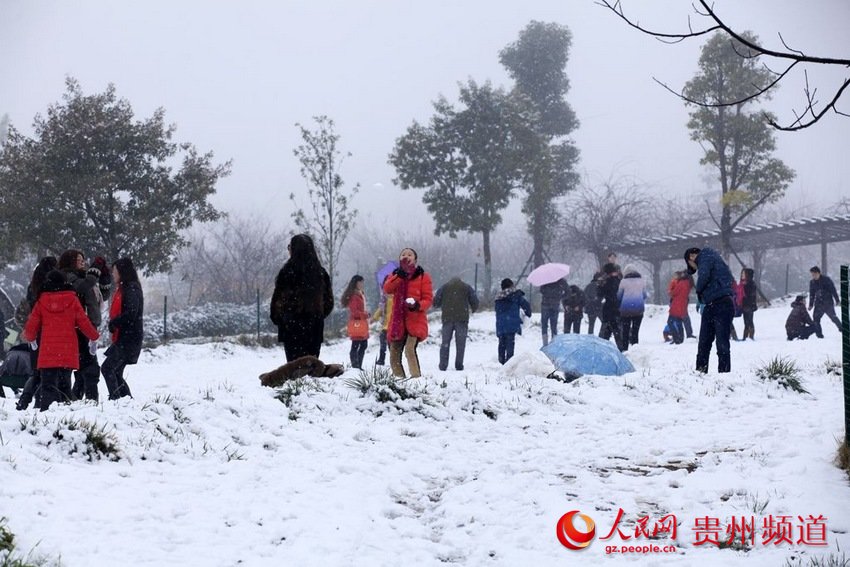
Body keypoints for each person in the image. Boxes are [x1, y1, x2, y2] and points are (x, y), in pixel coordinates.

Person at [21, 270, 99, 411]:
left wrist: (31, 338)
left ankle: (46, 413)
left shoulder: (41, 300)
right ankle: (64, 415)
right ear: (64, 282)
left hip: (48, 351)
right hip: (67, 351)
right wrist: (94, 337)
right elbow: (84, 322)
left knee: (48, 387)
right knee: (65, 386)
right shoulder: (72, 299)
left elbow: (32, 325)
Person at [269, 234, 335, 362]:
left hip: (291, 328)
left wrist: (282, 319)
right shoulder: (320, 273)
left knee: (294, 367)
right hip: (314, 327)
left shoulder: (287, 273)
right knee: (311, 366)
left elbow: (278, 302)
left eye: (290, 247)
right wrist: (317, 315)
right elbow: (328, 302)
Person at [58, 249, 104, 401]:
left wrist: (103, 275)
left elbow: (101, 295)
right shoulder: (68, 277)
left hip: (88, 324)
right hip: (78, 327)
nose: (82, 262)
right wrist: (94, 272)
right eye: (79, 260)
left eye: (83, 259)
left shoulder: (84, 277)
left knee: (84, 365)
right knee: (87, 364)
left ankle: (76, 397)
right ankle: (88, 398)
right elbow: (82, 287)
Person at [14, 256, 58, 410]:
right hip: (47, 332)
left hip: (35, 332)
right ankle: (40, 402)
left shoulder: (33, 286)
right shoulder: (50, 287)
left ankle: (24, 401)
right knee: (47, 371)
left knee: (36, 371)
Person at [383, 248, 433, 379]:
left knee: (409, 349)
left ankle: (416, 379)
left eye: (409, 254)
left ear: (415, 259)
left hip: (415, 321)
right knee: (394, 352)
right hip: (397, 322)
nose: (406, 256)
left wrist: (417, 305)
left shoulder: (423, 276)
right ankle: (399, 379)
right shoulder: (395, 275)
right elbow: (387, 289)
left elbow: (428, 299)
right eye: (403, 254)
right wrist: (399, 276)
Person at [685, 247, 735, 373]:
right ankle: (701, 372)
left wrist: (698, 291)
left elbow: (704, 275)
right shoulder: (716, 260)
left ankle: (722, 374)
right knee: (707, 342)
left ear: (691, 257)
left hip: (721, 303)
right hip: (713, 303)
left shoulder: (706, 256)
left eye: (691, 265)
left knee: (718, 342)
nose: (695, 269)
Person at [101, 258, 144, 399]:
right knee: (115, 371)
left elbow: (131, 312)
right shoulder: (126, 287)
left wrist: (115, 323)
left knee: (108, 368)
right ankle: (126, 402)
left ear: (121, 271)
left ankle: (117, 400)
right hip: (125, 337)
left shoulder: (131, 288)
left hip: (128, 338)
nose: (113, 275)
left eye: (114, 271)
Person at [432, 276, 479, 371]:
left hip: (447, 318)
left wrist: (439, 304)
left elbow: (436, 301)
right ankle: (459, 364)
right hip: (462, 319)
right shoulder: (466, 287)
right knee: (460, 344)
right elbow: (474, 300)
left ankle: (443, 365)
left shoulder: (444, 287)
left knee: (445, 343)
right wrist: (474, 308)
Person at [494, 278, 531, 364]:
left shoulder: (498, 298)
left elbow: (497, 310)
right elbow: (526, 305)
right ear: (511, 285)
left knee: (502, 343)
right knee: (510, 343)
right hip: (511, 323)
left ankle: (501, 360)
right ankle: (509, 362)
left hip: (501, 324)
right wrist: (528, 314)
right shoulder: (516, 295)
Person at [340, 275, 369, 370]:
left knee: (363, 344)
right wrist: (365, 314)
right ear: (355, 283)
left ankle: (358, 366)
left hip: (362, 322)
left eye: (362, 282)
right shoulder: (354, 295)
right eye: (360, 282)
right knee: (356, 344)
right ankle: (355, 366)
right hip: (357, 322)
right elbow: (354, 311)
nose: (361, 284)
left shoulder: (360, 294)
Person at [617, 265, 648, 349]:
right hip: (639, 310)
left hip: (626, 310)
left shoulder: (623, 282)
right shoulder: (642, 281)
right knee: (635, 331)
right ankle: (635, 348)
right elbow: (644, 295)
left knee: (625, 331)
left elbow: (619, 296)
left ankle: (625, 348)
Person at [808, 266, 841, 338]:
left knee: (833, 317)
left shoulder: (826, 280)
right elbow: (812, 294)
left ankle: (842, 328)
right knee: (816, 319)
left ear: (818, 273)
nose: (813, 276)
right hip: (818, 304)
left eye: (814, 274)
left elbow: (833, 290)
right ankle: (819, 335)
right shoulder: (812, 282)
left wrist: (837, 300)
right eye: (812, 275)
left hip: (827, 303)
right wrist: (811, 305)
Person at [598, 263, 624, 351]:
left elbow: (600, 295)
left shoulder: (607, 282)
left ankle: (602, 350)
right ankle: (622, 350)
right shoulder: (619, 281)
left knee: (605, 334)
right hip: (618, 310)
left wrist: (600, 285)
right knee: (617, 333)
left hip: (608, 310)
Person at [539, 278, 568, 346]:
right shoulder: (561, 281)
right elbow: (568, 291)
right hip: (555, 304)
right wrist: (559, 296)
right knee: (554, 324)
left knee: (544, 324)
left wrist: (547, 294)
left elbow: (541, 290)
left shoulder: (545, 279)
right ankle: (553, 343)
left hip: (545, 304)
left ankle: (545, 343)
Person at [371, 277, 392, 366]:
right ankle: (381, 360)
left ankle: (394, 361)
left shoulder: (395, 297)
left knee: (391, 346)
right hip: (385, 325)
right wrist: (374, 318)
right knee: (383, 344)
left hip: (392, 325)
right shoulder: (385, 297)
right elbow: (381, 309)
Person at [667, 271, 691, 345]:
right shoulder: (688, 283)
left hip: (677, 305)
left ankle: (677, 338)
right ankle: (680, 338)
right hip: (682, 305)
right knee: (679, 322)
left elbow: (673, 293)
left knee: (670, 322)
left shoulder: (681, 283)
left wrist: (671, 292)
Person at [739, 268, 758, 340]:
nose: (742, 275)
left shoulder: (750, 284)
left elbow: (750, 296)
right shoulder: (744, 283)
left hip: (749, 305)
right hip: (745, 305)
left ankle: (749, 336)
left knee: (749, 320)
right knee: (746, 320)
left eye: (744, 274)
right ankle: (746, 335)